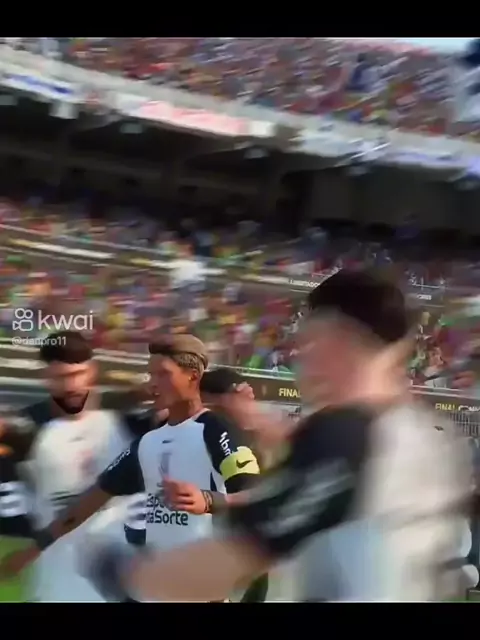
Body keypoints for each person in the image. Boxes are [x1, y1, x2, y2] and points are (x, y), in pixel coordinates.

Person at [81, 270, 472, 602]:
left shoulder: (343, 435)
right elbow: (337, 485)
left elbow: (226, 563)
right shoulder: (429, 437)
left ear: (336, 338)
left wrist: (120, 573)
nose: (301, 357)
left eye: (307, 340)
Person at [1, 334, 262, 603]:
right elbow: (87, 503)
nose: (153, 383)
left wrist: (208, 500)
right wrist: (34, 549)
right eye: (151, 374)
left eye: (163, 374)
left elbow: (256, 497)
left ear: (192, 377)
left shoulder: (215, 430)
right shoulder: (147, 443)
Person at [0, 330, 164, 602]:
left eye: (77, 374)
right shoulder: (31, 429)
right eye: (60, 377)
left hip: (123, 577)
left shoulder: (125, 423)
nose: (71, 386)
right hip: (59, 584)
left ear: (92, 371)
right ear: (46, 378)